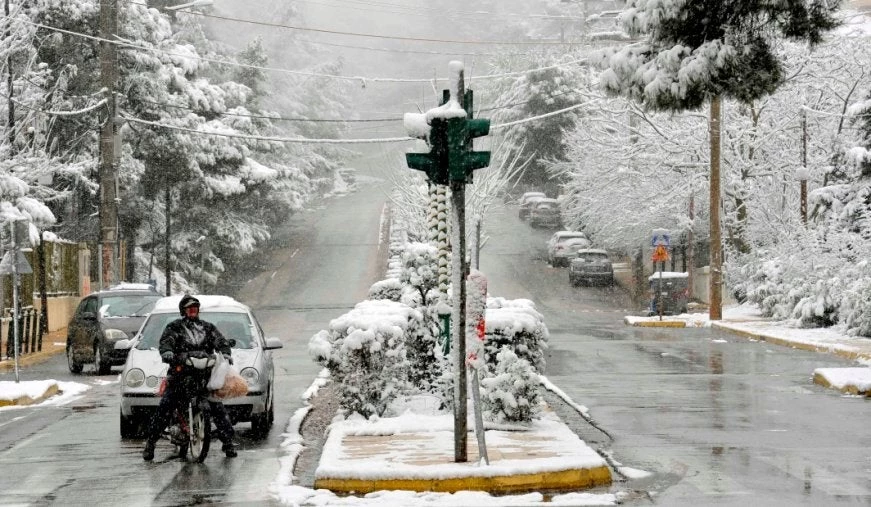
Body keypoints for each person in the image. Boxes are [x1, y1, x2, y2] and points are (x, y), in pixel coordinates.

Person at [143, 295, 238, 461]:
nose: (193, 311)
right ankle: (151, 443)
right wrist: (167, 352)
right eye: (189, 308)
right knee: (166, 406)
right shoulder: (174, 327)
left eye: (195, 308)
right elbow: (166, 342)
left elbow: (220, 341)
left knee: (217, 408)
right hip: (180, 376)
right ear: (183, 311)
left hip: (203, 378)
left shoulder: (208, 328)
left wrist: (226, 353)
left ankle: (228, 442)